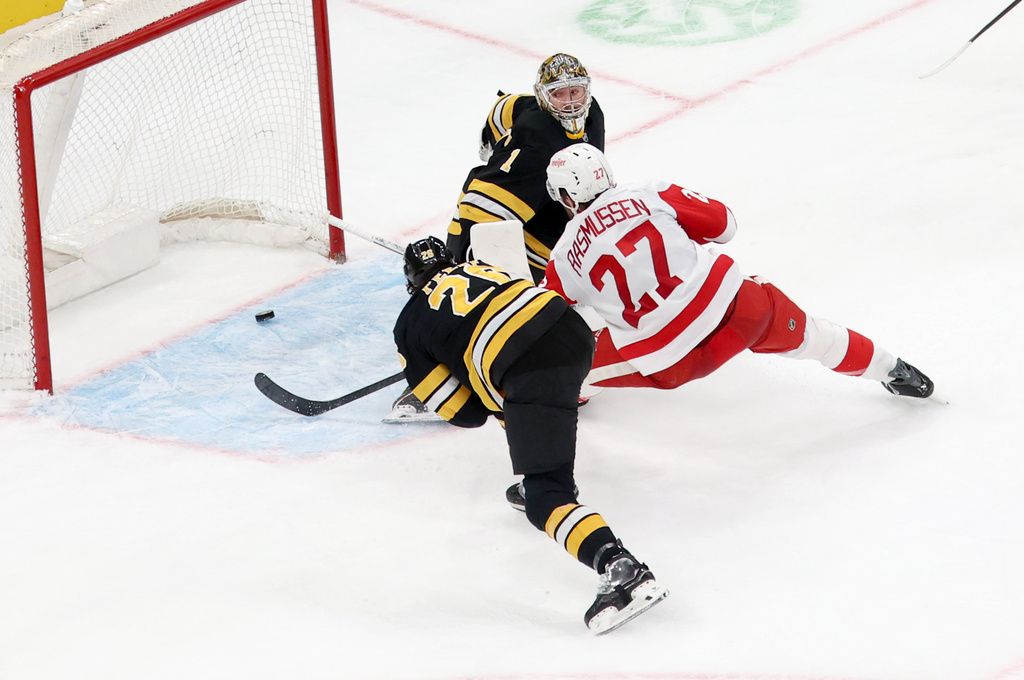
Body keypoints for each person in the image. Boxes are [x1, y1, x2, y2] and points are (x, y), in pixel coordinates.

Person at [392, 236, 668, 634]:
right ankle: (536, 457)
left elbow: (465, 413)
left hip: (530, 368)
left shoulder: (407, 325)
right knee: (523, 398)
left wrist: (460, 368)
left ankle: (622, 570)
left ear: (410, 279)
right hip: (572, 333)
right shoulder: (482, 266)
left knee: (545, 496)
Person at [540, 142, 935, 399]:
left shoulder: (562, 256)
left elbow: (546, 317)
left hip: (669, 360)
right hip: (739, 311)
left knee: (567, 367)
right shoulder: (647, 192)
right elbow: (724, 226)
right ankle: (892, 369)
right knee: (812, 334)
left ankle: (572, 400)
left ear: (562, 195)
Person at [386, 52, 606, 423]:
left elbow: (507, 105)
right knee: (505, 308)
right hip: (504, 225)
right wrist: (458, 277)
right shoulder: (536, 145)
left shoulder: (592, 112)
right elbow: (479, 212)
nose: (570, 102)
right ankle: (453, 368)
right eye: (559, 94)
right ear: (543, 96)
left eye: (576, 92)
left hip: (552, 217)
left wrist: (493, 129)